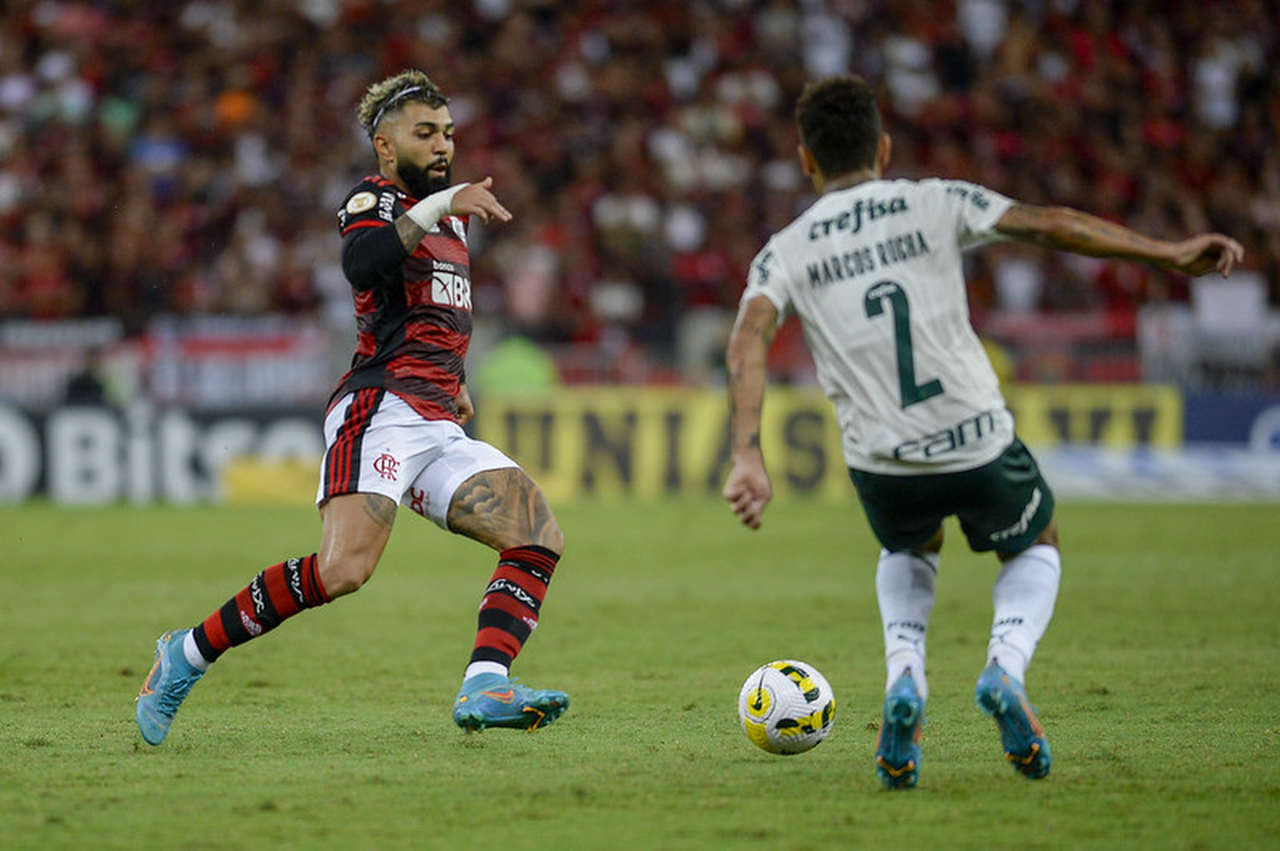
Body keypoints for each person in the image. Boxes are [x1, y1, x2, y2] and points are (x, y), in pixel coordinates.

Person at [722, 75, 1243, 788]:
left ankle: (906, 677)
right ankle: (1005, 665)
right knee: (1037, 540)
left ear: (805, 159)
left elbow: (748, 336)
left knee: (909, 542)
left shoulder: (785, 249)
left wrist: (747, 451)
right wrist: (1166, 253)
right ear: (883, 146)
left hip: (883, 457)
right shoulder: (937, 199)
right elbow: (1049, 222)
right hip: (975, 436)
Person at [136, 69, 570, 745]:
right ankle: (184, 654)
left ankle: (487, 682)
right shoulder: (376, 197)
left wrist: (453, 377)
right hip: (380, 407)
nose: (442, 146)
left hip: (437, 417)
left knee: (536, 532)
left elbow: (434, 310)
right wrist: (435, 204)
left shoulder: (450, 218)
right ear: (385, 145)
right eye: (424, 133)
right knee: (343, 570)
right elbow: (362, 265)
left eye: (449, 133)